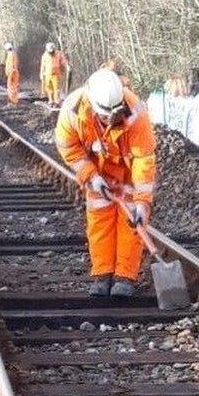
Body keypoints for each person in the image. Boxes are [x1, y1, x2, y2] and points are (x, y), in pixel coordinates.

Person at [54, 68, 156, 298]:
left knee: (131, 223)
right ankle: (102, 274)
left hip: (129, 174)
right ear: (91, 103)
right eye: (103, 116)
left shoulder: (135, 112)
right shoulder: (72, 111)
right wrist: (91, 175)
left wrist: (142, 201)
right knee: (99, 220)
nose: (109, 119)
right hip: (98, 173)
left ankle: (124, 277)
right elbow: (68, 147)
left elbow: (143, 158)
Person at [40, 42, 70, 107]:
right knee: (48, 88)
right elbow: (42, 66)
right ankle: (51, 100)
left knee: (56, 88)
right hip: (47, 74)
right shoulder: (44, 55)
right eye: (49, 52)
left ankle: (57, 102)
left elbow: (64, 61)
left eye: (52, 51)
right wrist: (41, 74)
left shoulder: (59, 54)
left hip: (56, 74)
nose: (51, 53)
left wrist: (67, 66)